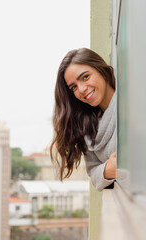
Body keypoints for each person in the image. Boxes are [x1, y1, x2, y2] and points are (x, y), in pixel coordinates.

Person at [50, 48, 116, 191]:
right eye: (73, 87)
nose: (81, 89)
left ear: (102, 70)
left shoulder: (129, 106)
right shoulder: (88, 126)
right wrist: (107, 170)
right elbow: (93, 172)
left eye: (85, 77)